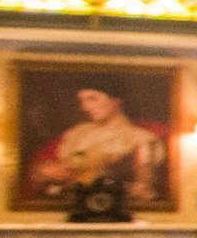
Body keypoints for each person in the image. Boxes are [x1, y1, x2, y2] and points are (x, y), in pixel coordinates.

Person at [28, 84, 164, 206]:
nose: (85, 107)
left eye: (92, 99)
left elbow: (145, 191)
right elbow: (45, 166)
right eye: (82, 101)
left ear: (115, 101)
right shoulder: (77, 133)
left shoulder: (141, 139)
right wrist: (46, 171)